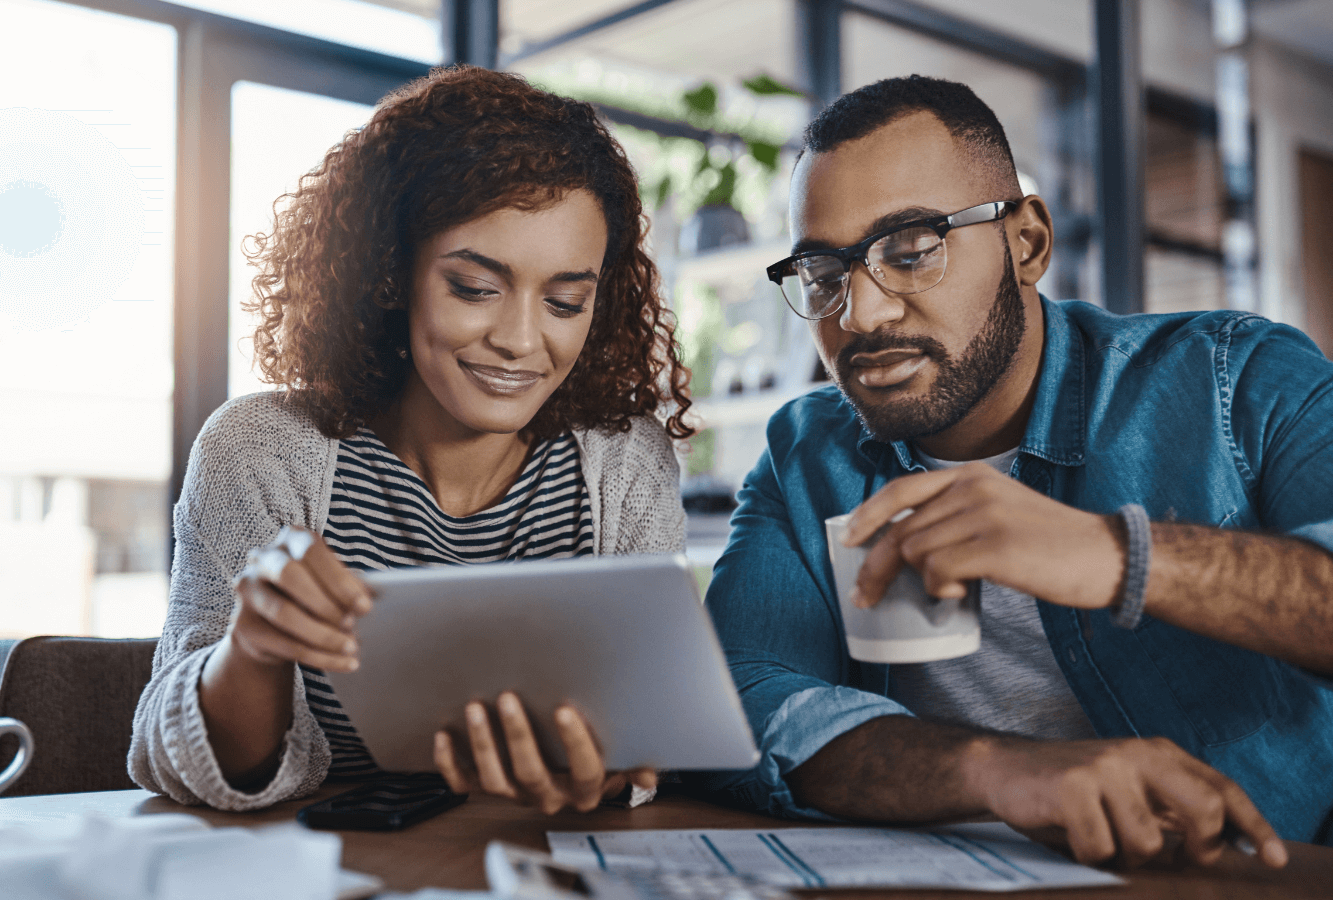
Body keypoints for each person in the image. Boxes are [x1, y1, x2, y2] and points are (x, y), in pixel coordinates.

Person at [700, 74, 1333, 868]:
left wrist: (1115, 555)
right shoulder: (804, 454)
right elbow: (741, 700)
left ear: (1026, 243)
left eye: (911, 250)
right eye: (826, 274)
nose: (861, 315)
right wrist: (1000, 772)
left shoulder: (1237, 377)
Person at [128, 66, 692, 815]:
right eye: (475, 288)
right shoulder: (259, 451)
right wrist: (254, 651)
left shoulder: (626, 463)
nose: (522, 340)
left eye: (565, 301)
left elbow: (650, 735)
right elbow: (182, 763)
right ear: (391, 271)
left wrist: (620, 764)